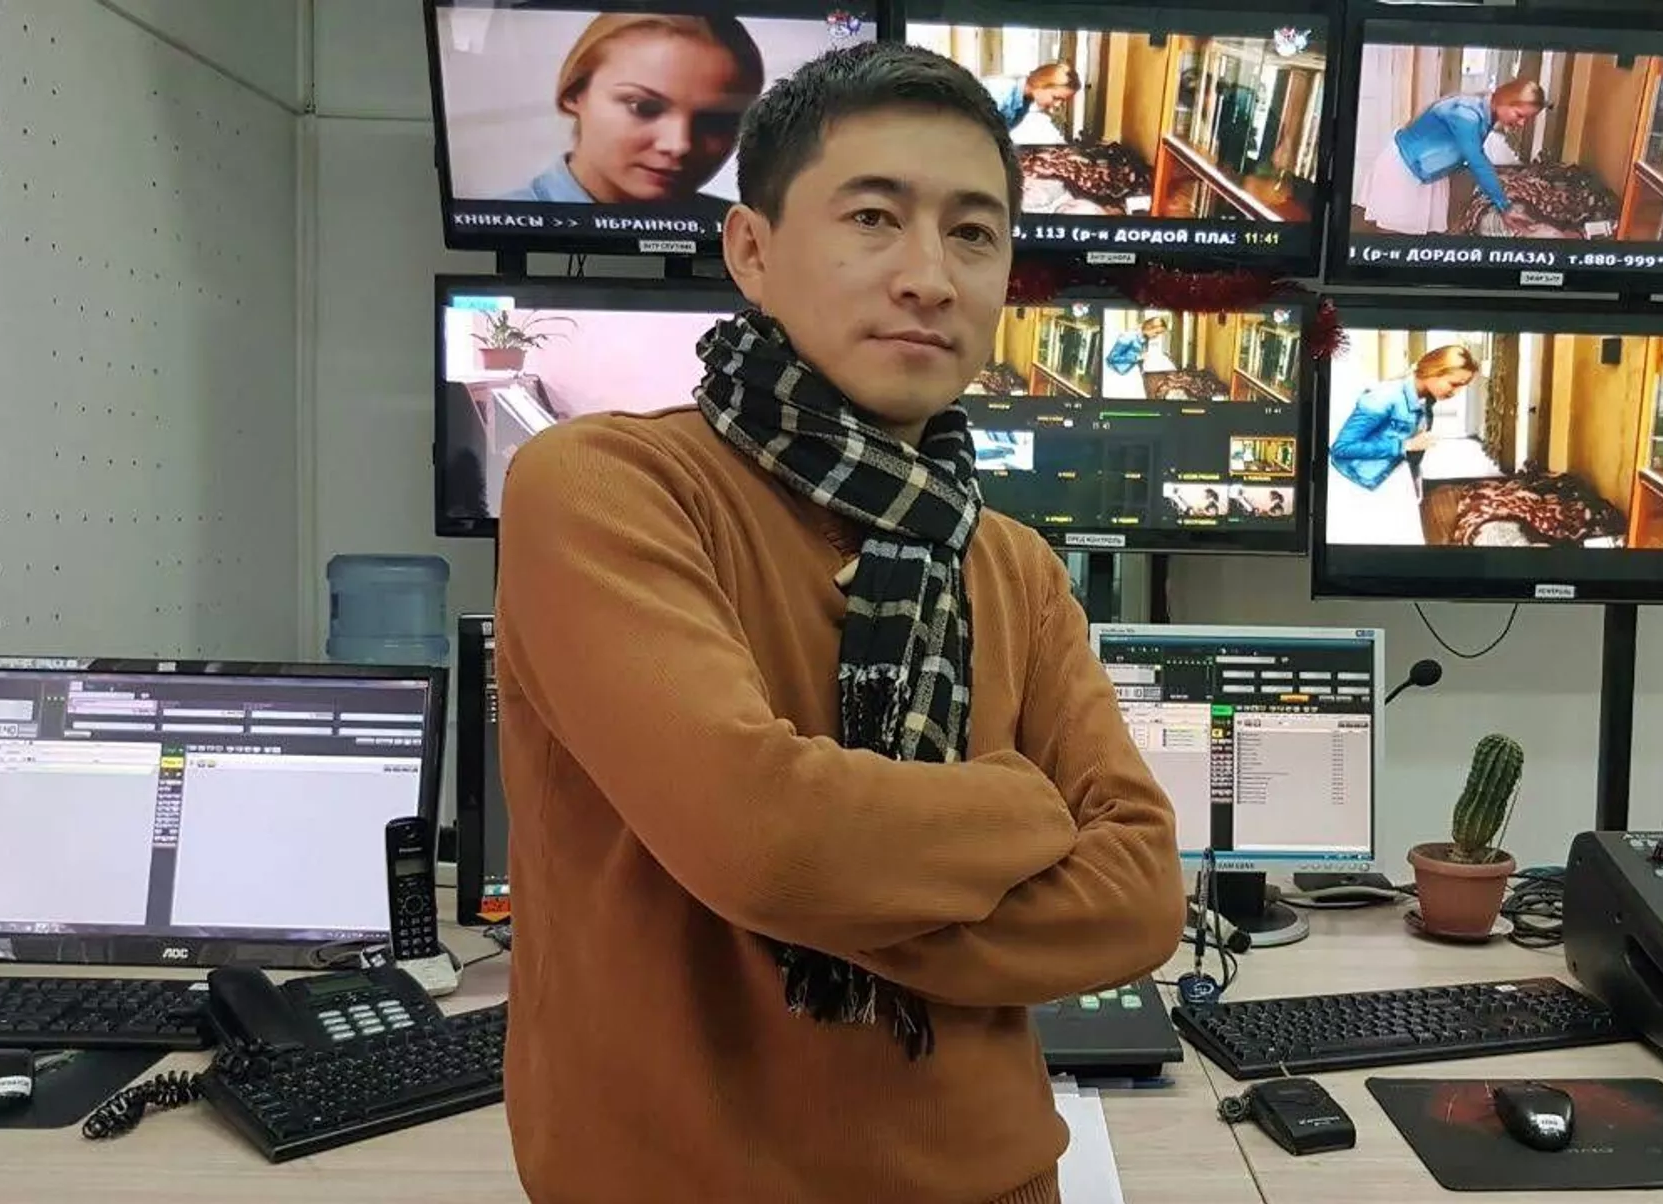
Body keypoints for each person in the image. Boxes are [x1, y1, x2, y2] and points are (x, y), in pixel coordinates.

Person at [494, 40, 1184, 1204]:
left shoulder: (1011, 564)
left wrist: (838, 879)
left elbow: (1140, 895)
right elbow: (770, 841)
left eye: (974, 233)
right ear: (751, 251)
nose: (930, 276)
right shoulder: (607, 488)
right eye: (874, 218)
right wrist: (1021, 806)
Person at [502, 14, 765, 209]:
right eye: (643, 107)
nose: (679, 145)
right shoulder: (500, 226)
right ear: (573, 93)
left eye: (716, 122)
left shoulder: (747, 238)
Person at [1327, 344, 1480, 545]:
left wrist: (1414, 479)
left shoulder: (1426, 400)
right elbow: (1341, 448)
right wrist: (1403, 445)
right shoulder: (1384, 397)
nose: (1456, 392)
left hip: (1393, 480)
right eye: (1454, 384)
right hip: (1362, 487)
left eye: (1462, 386)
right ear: (1434, 371)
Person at [1359, 78, 1548, 236]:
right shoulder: (1466, 114)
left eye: (1526, 119)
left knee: (1418, 235)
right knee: (1393, 233)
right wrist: (1504, 206)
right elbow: (1477, 160)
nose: (1522, 124)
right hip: (1404, 167)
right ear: (1505, 100)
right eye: (1519, 115)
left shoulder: (1486, 110)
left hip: (1428, 170)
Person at [984, 61, 1081, 132]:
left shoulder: (1025, 101)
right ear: (1041, 83)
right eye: (1056, 97)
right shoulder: (999, 91)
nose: (1057, 105)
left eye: (1062, 101)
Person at [1102, 314, 1173, 398]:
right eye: (1156, 332)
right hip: (1122, 377)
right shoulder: (1128, 336)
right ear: (1149, 327)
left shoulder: (1144, 339)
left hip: (1135, 376)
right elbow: (1112, 358)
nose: (1156, 336)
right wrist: (1137, 357)